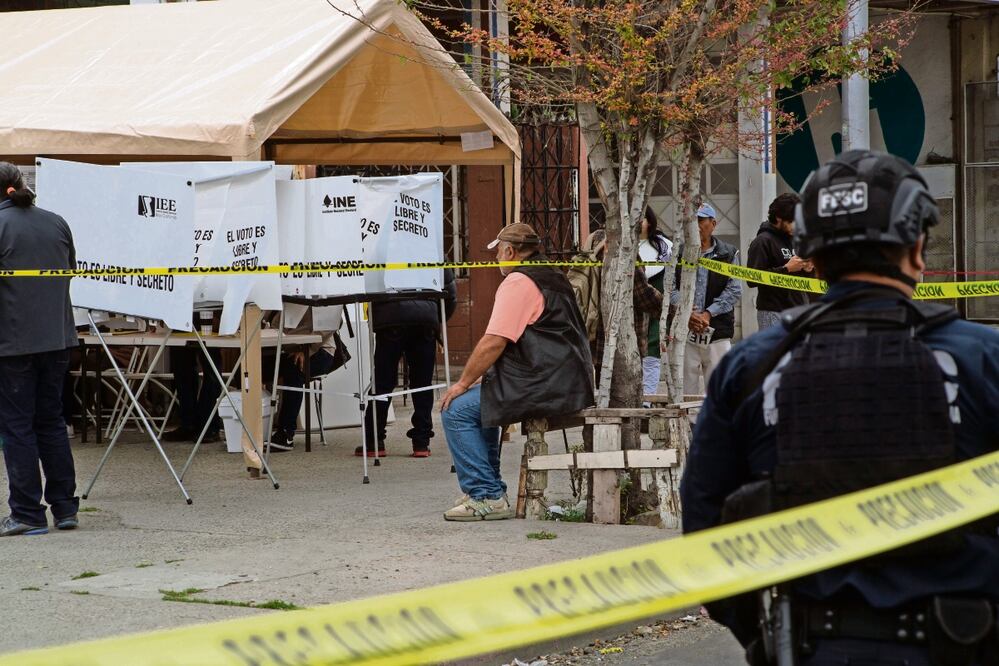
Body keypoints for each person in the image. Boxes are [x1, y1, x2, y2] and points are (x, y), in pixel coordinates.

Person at [680, 150, 999, 665]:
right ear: (916, 249)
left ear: (812, 255)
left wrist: (766, 638)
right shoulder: (982, 359)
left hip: (809, 645)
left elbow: (705, 527)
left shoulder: (752, 368)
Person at [439, 223, 594, 521]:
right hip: (567, 380)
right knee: (481, 402)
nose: (497, 258)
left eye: (498, 252)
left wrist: (462, 382)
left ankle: (486, 495)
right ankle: (489, 488)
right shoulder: (552, 275)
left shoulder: (518, 281)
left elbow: (494, 341)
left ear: (510, 251)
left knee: (455, 409)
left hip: (544, 383)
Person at [0, 163, 80, 536]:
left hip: (12, 344)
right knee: (51, 422)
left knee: (17, 427)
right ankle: (65, 508)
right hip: (57, 338)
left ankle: (28, 513)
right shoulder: (56, 221)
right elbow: (69, 271)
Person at [359, 268, 457, 458]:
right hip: (424, 319)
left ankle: (373, 442)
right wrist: (435, 319)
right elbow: (450, 293)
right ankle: (421, 442)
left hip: (390, 317)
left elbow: (368, 284)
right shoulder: (430, 241)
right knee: (422, 384)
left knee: (383, 381)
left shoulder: (379, 242)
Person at [670, 202, 742, 395]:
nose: (696, 225)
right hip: (686, 331)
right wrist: (686, 312)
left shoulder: (728, 253)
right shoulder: (678, 252)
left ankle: (716, 425)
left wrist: (708, 314)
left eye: (700, 220)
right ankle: (690, 425)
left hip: (717, 332)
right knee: (686, 389)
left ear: (713, 223)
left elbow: (734, 289)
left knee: (719, 388)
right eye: (691, 221)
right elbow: (670, 287)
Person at [268, 306, 350, 452]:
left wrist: (309, 349)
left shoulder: (319, 287)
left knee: (295, 370)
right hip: (287, 346)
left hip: (320, 349)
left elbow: (331, 321)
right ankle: (253, 426)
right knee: (255, 365)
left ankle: (286, 433)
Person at [747, 193, 814, 329]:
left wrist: (808, 269)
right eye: (792, 221)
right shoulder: (762, 241)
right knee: (776, 350)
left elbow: (803, 277)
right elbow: (752, 279)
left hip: (799, 310)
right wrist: (786, 268)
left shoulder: (796, 240)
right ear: (778, 218)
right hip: (774, 312)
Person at [638, 209, 673, 398]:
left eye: (642, 217)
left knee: (653, 347)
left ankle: (648, 397)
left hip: (656, 306)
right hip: (632, 307)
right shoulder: (620, 244)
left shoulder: (664, 246)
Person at [163, 344, 222, 443]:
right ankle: (188, 423)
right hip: (181, 330)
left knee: (211, 365)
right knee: (181, 366)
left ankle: (208, 425)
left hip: (209, 329)